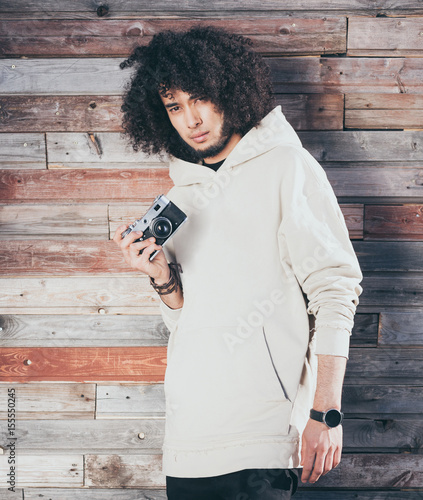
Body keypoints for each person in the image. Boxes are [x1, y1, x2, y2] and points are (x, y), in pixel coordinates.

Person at [113, 26, 363, 500]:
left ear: (229, 89)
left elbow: (336, 289)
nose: (192, 118)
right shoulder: (179, 196)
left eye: (200, 98)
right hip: (188, 436)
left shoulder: (287, 167)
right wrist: (164, 279)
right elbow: (187, 321)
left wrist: (325, 413)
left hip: (262, 437)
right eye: (174, 106)